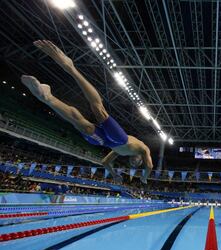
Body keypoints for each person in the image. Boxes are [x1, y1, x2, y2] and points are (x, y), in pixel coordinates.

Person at [21, 40, 153, 183]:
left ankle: (47, 97)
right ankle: (70, 67)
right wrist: (144, 178)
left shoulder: (118, 152)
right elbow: (150, 166)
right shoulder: (143, 149)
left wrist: (113, 174)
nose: (134, 163)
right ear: (141, 160)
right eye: (138, 163)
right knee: (98, 109)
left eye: (133, 164)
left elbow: (104, 162)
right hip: (120, 137)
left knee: (83, 126)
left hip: (106, 141)